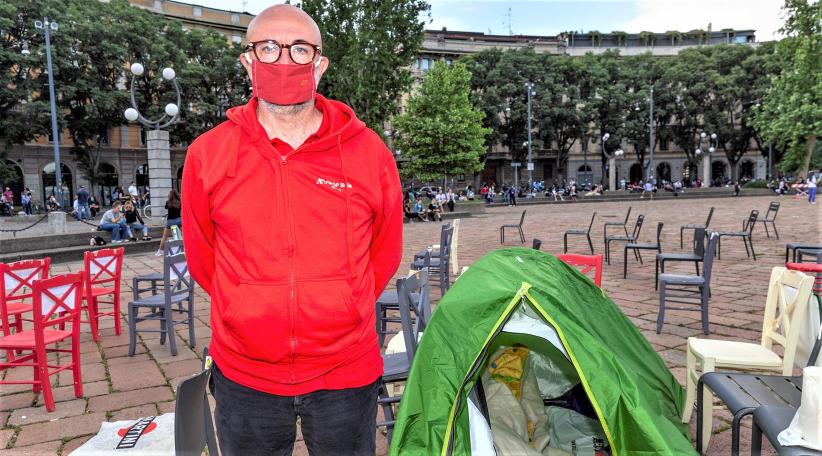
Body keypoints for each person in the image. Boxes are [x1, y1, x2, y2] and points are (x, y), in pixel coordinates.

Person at [181, 6, 403, 455]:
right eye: (268, 48)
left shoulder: (368, 151)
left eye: (299, 49)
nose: (283, 61)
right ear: (248, 60)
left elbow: (385, 250)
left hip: (345, 370)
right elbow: (204, 256)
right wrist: (249, 306)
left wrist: (343, 301)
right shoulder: (208, 153)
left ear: (319, 64)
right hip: (245, 374)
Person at [155, 189, 182, 256]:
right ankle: (182, 249)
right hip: (179, 220)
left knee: (165, 237)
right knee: (181, 236)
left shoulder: (168, 202)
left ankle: (160, 251)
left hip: (170, 221)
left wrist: (169, 199)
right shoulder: (179, 202)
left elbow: (166, 207)